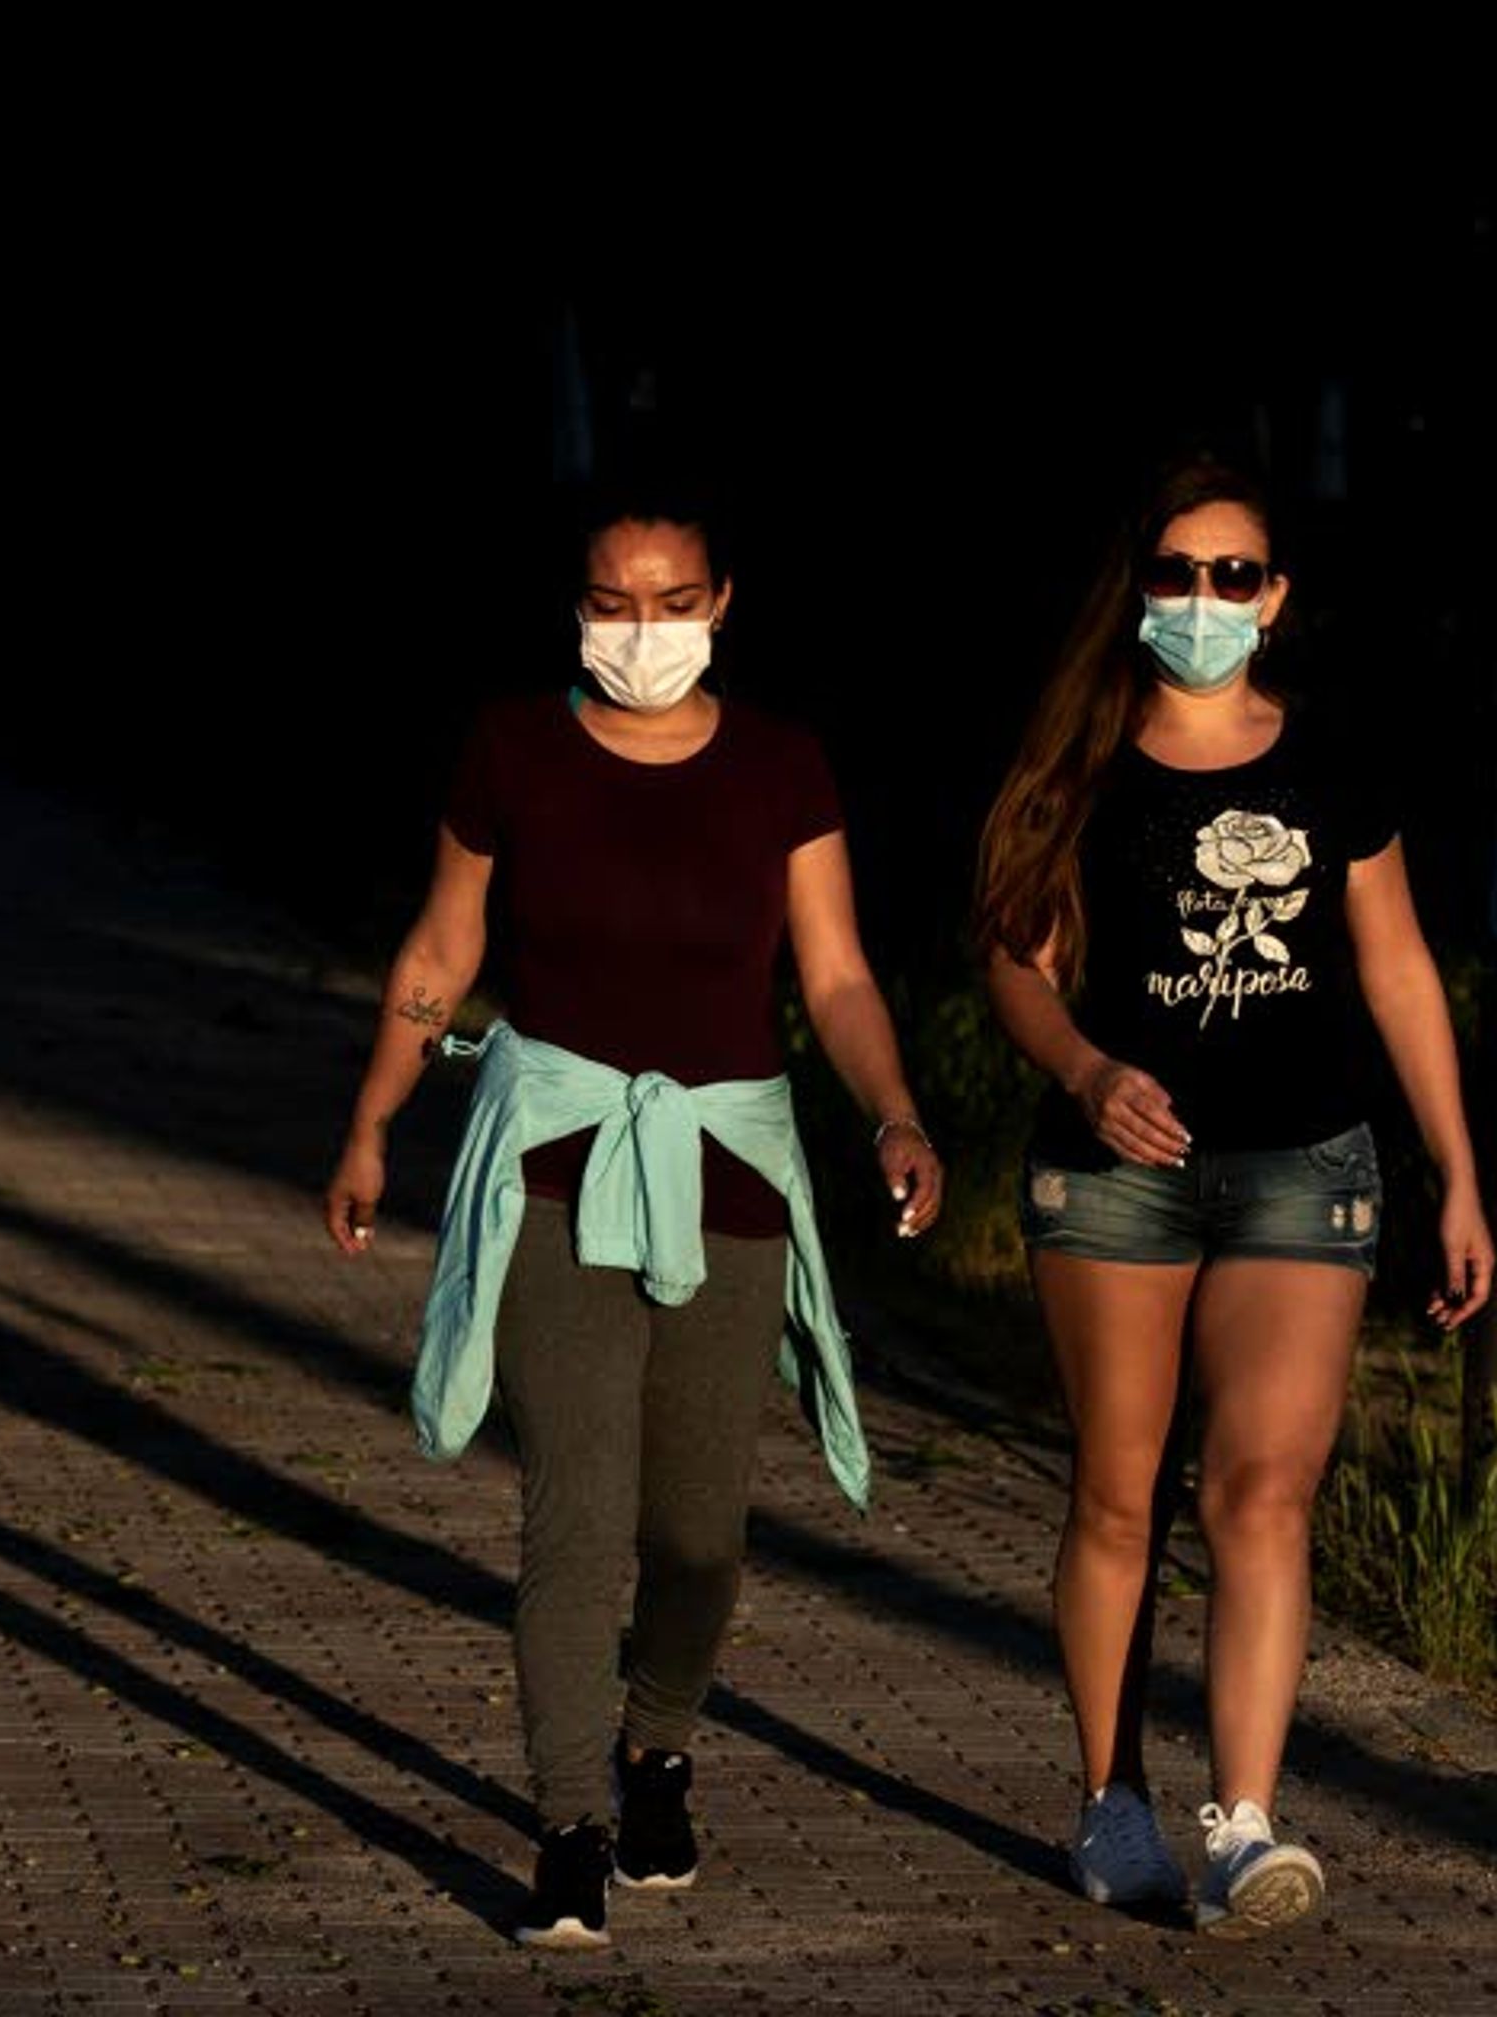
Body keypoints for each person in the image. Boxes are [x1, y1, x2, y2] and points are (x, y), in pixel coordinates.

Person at [323, 472, 946, 1951]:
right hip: (557, 1168)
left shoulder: (784, 766)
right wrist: (370, 1123)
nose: (644, 630)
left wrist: (897, 1114)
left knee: (701, 1538)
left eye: (674, 604)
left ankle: (658, 1741)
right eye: (615, 604)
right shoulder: (514, 749)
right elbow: (442, 946)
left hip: (728, 1173)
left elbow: (838, 975)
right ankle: (566, 1826)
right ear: (578, 607)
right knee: (576, 1525)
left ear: (722, 605)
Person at [970, 453, 1492, 1937]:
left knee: (1262, 1486)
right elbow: (1013, 961)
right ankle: (1110, 1800)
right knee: (1119, 1496)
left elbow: (1395, 969)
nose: (1205, 600)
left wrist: (1454, 1171)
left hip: (1301, 1170)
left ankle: (1246, 1825)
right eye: (1180, 573)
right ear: (1141, 587)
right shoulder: (1081, 759)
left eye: (1235, 575)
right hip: (1115, 1179)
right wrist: (1082, 1072)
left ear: (1277, 599)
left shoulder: (1331, 766)